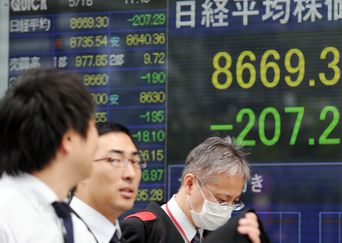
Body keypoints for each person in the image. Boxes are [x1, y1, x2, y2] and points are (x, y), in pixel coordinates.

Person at [0, 68, 98, 243]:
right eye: (93, 127)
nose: (98, 141)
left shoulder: (74, 228)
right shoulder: (5, 213)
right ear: (69, 139)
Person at [121, 136, 264, 243]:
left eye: (234, 202)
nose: (227, 210)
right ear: (190, 183)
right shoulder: (141, 231)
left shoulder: (218, 237)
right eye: (221, 200)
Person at [70, 122, 144, 243]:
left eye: (134, 161)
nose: (131, 174)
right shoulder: (54, 233)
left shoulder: (118, 237)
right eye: (115, 160)